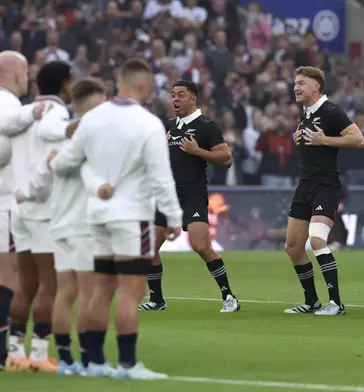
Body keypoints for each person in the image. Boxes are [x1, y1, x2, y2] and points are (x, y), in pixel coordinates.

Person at [48, 58, 182, 378]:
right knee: (131, 290)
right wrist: (174, 217)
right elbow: (161, 176)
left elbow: (65, 162)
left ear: (117, 81)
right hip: (132, 216)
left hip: (96, 217)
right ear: (143, 85)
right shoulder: (148, 123)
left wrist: (57, 161)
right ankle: (128, 363)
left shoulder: (93, 119)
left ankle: (94, 361)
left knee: (100, 291)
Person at [139, 80, 238, 313]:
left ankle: (229, 296)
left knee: (200, 245)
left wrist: (198, 152)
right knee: (149, 247)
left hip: (192, 194)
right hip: (166, 196)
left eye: (181, 95)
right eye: (173, 95)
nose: (175, 99)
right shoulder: (169, 126)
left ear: (193, 98)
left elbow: (227, 158)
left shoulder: (206, 126)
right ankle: (157, 300)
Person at [2, 60, 72, 373]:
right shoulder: (57, 114)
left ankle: (16, 353)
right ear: (65, 84)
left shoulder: (23, 113)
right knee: (49, 285)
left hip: (19, 209)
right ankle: (40, 355)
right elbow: (51, 161)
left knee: (25, 284)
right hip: (43, 208)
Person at [37, 77, 109, 375]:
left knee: (66, 292)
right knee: (89, 293)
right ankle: (88, 359)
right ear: (93, 102)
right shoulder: (90, 135)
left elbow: (50, 163)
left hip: (60, 222)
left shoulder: (61, 133)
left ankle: (65, 359)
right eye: (103, 101)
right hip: (82, 224)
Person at [284, 66, 364, 316]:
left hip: (326, 187)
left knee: (317, 239)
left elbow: (358, 139)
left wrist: (324, 140)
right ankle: (311, 302)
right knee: (293, 246)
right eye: (295, 83)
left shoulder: (331, 111)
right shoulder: (306, 112)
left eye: (301, 83)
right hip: (305, 186)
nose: (296, 87)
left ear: (316, 87)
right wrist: (301, 139)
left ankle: (336, 303)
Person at [0, 51, 30, 371]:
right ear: (17, 74)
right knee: (8, 276)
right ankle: (1, 353)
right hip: (4, 202)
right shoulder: (10, 108)